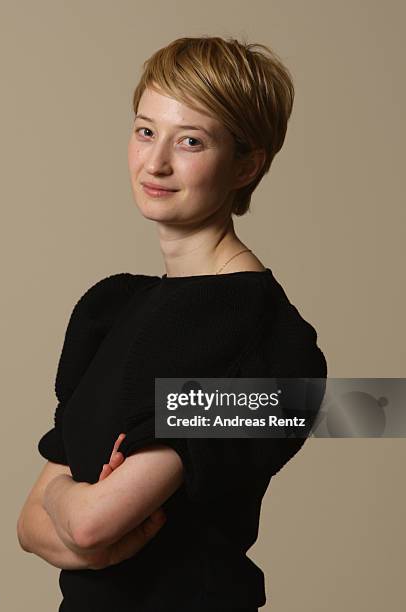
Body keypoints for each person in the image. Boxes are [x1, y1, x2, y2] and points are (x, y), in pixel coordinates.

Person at [17, 35, 328, 611]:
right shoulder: (110, 310)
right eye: (144, 130)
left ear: (247, 164)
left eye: (190, 140)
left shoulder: (267, 342)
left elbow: (88, 527)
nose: (155, 162)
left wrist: (64, 497)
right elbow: (28, 527)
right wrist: (68, 501)